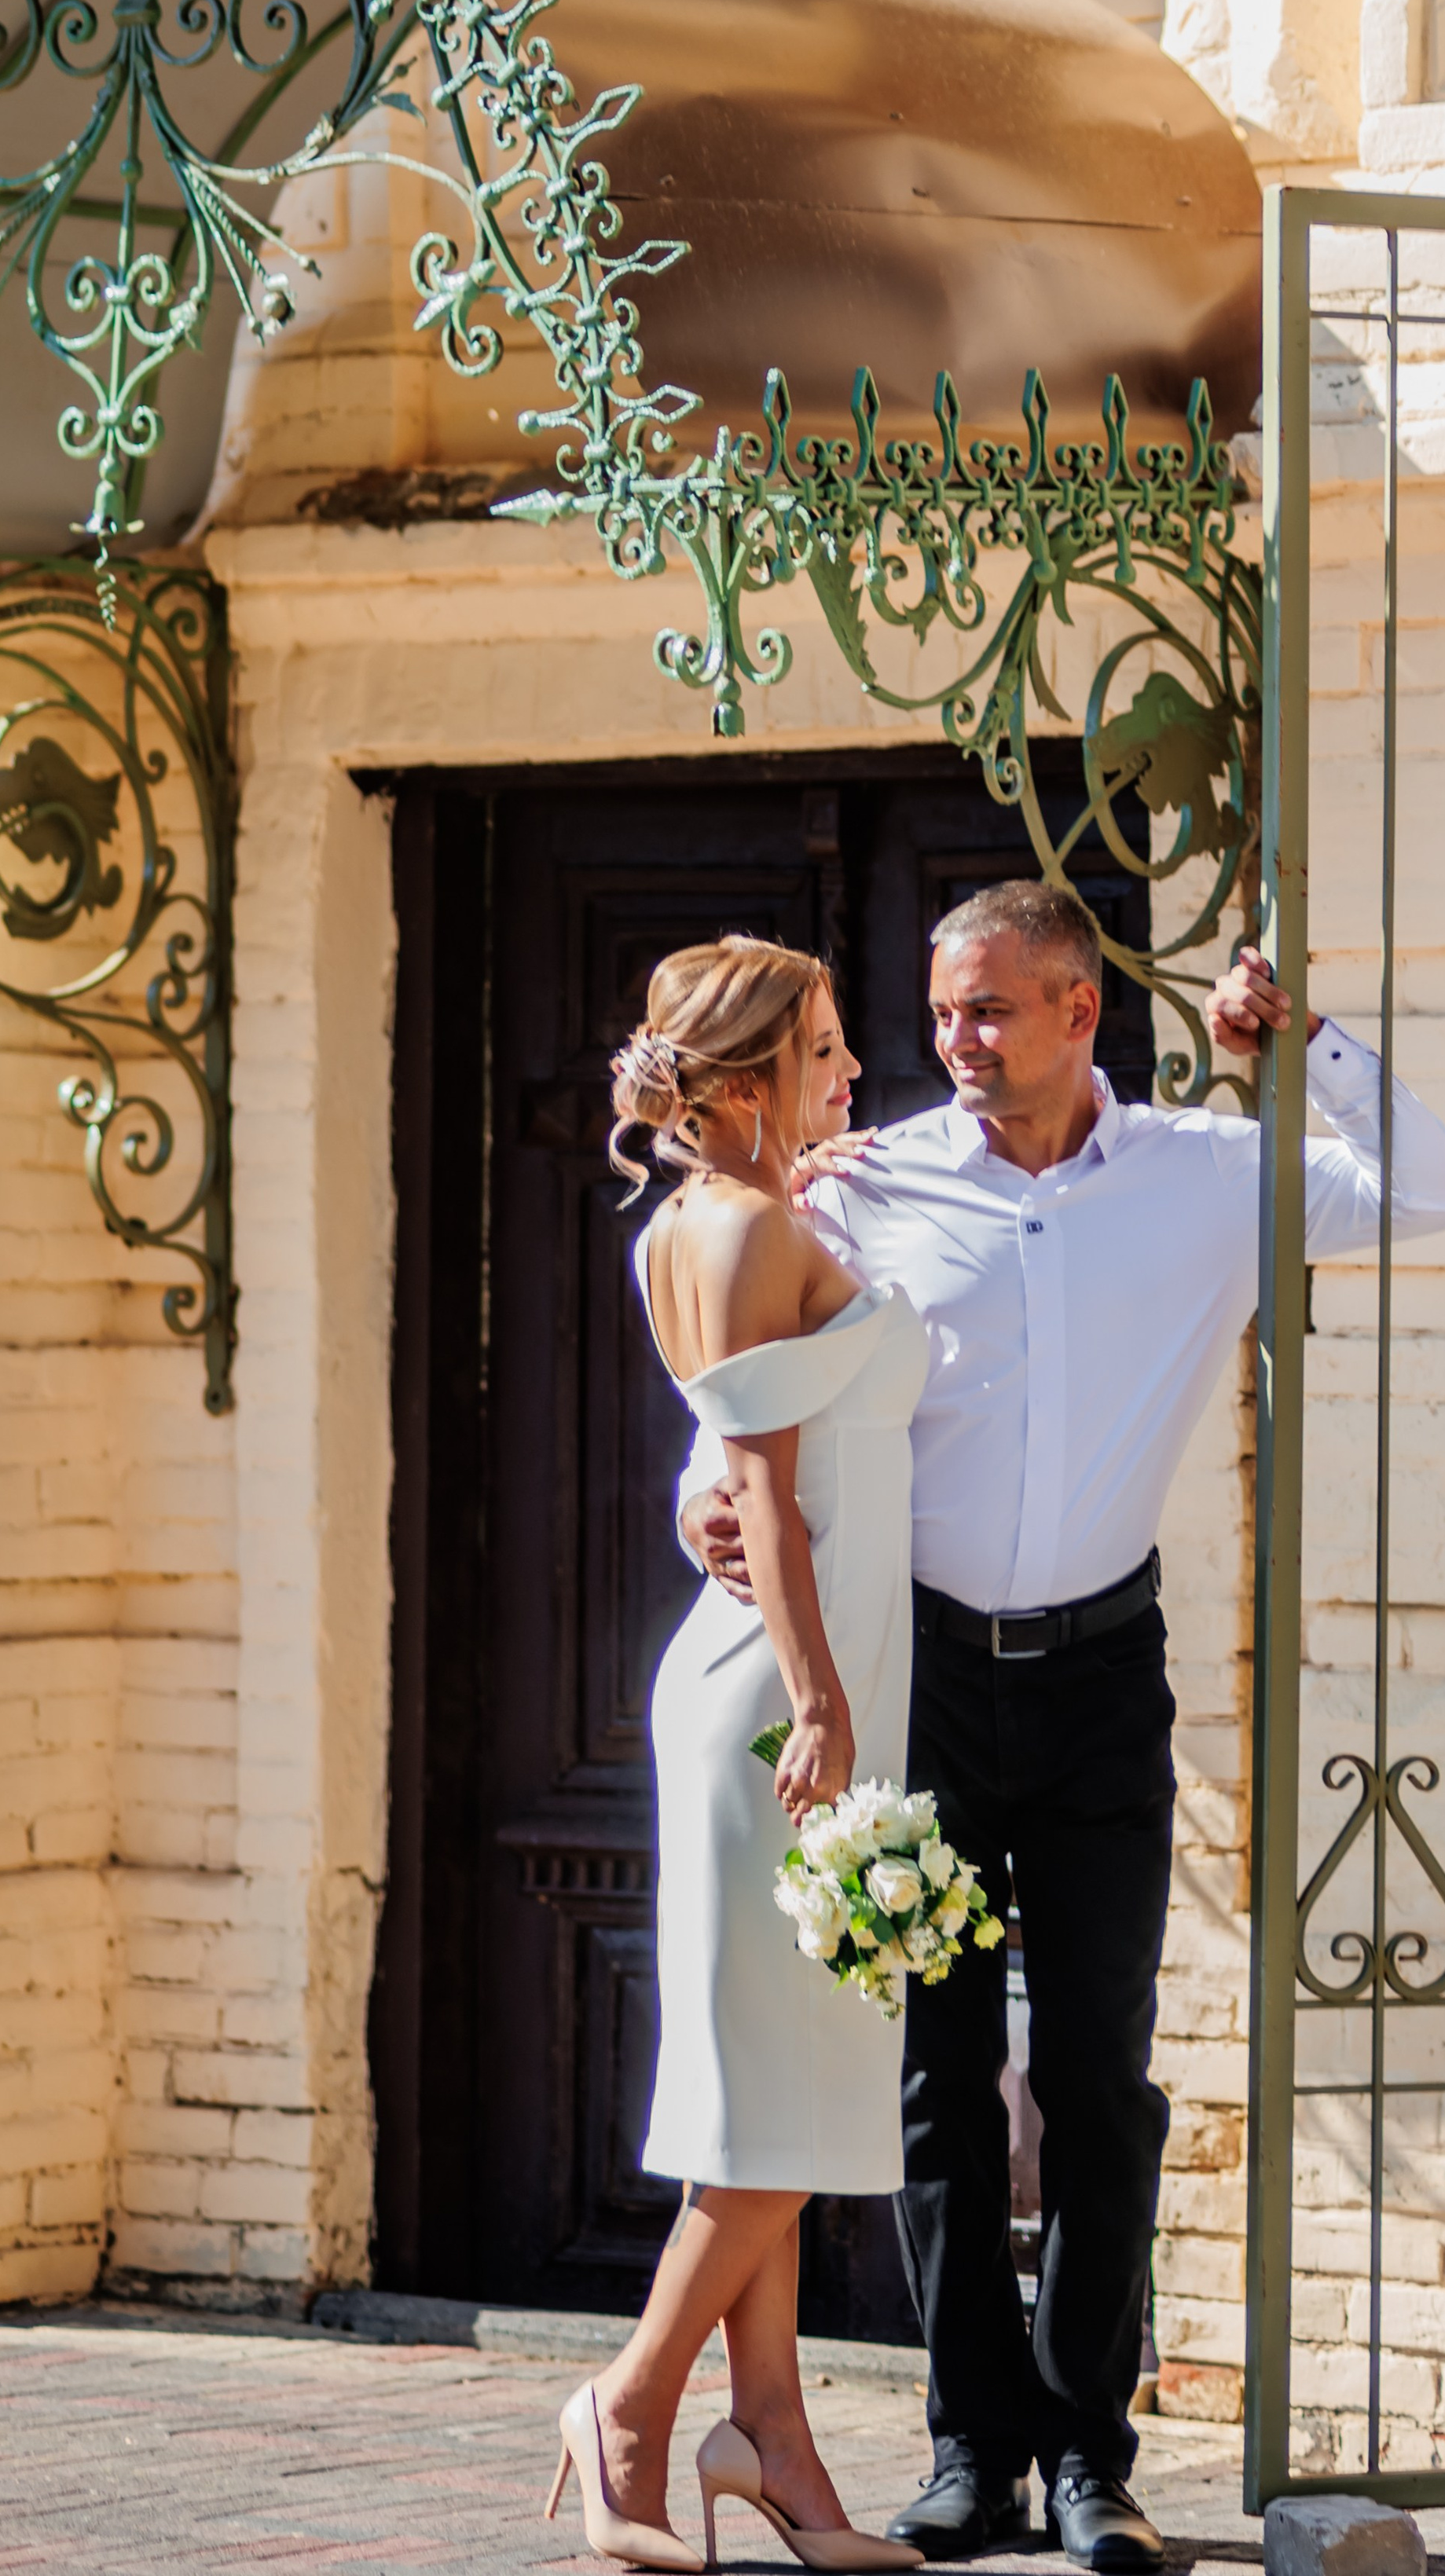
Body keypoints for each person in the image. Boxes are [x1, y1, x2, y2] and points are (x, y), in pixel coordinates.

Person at [680, 883, 1445, 2571]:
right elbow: (754, 1382)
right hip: (923, 1678)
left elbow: (1431, 1186)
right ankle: (972, 2450)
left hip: (1108, 1676)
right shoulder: (864, 1185)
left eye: (987, 1012)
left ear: (1075, 1013)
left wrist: (1304, 1043)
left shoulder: (1201, 1174)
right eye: (939, 1013)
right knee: (938, 2075)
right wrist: (703, 1503)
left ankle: (1093, 2462)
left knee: (1102, 2085)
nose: (953, 1044)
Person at [548, 936, 929, 2576]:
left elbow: (733, 1460)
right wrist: (822, 1694)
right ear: (751, 1072)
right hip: (781, 1689)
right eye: (825, 1050)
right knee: (783, 2094)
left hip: (777, 1666)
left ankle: (765, 2430)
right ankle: (632, 2410)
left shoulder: (714, 1217)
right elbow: (763, 1488)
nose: (851, 1073)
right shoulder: (754, 1224)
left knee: (778, 2086)